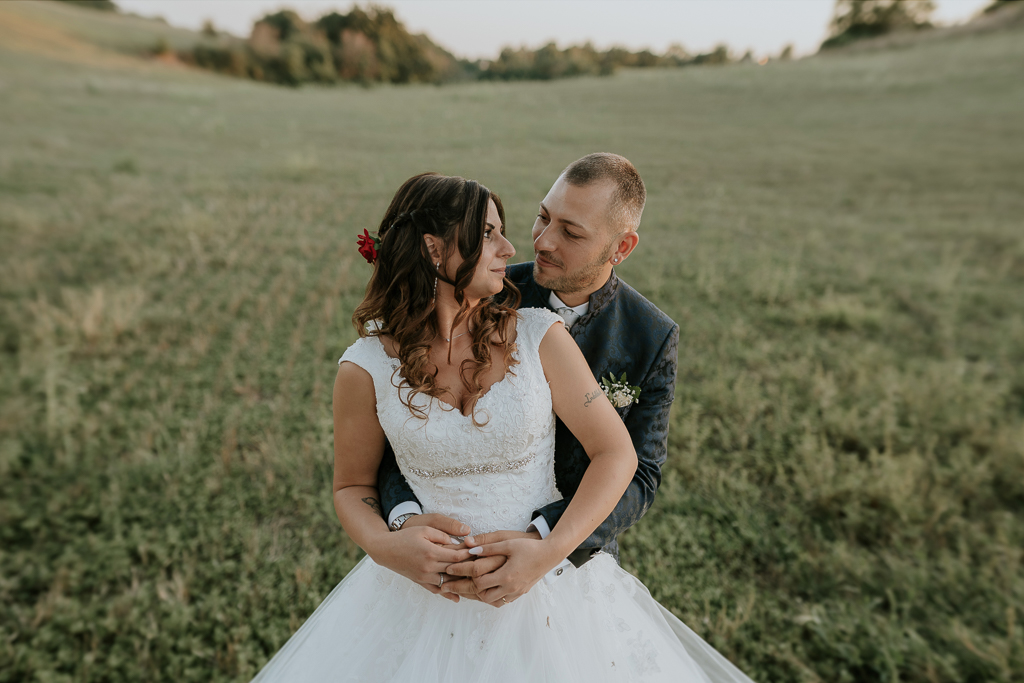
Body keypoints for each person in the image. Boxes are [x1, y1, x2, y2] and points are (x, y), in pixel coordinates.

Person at [251, 171, 753, 682]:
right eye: (531, 221)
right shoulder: (370, 363)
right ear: (433, 250)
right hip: (422, 587)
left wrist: (545, 552)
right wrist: (389, 539)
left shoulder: (561, 333)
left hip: (555, 580)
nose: (529, 244)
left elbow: (629, 463)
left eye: (571, 232)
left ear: (619, 247)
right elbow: (356, 480)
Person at [375, 153, 678, 603]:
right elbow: (397, 423)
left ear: (621, 248)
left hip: (568, 559)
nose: (541, 241)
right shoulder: (483, 288)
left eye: (571, 232)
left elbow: (640, 473)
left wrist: (544, 543)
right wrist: (402, 518)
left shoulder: (649, 336)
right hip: (444, 563)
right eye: (542, 217)